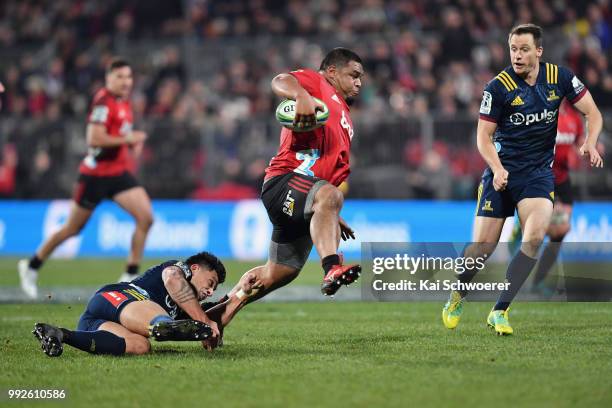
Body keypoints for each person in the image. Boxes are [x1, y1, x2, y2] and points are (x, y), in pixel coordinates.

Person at [441, 24, 604, 335]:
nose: (517, 55)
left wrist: (590, 141)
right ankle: (458, 293)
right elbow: (483, 139)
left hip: (538, 174)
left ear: (538, 51)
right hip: (501, 173)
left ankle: (500, 312)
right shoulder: (497, 87)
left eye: (524, 49)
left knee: (534, 236)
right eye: (513, 49)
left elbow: (593, 113)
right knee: (482, 248)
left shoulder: (561, 78)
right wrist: (498, 168)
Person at [203, 48, 366, 329]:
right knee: (331, 195)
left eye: (361, 77)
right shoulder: (318, 86)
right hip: (283, 182)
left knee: (280, 271)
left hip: (308, 195)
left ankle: (218, 311)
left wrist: (327, 211)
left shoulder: (345, 116)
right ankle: (331, 267)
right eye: (354, 75)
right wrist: (302, 95)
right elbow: (280, 80)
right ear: (332, 72)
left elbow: (327, 172)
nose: (359, 82)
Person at [18, 58, 154, 299]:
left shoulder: (125, 102)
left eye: (129, 77)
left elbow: (121, 136)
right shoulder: (103, 101)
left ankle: (129, 276)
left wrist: (132, 144)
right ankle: (31, 266)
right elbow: (94, 139)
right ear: (108, 79)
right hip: (95, 176)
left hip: (118, 173)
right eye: (120, 77)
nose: (126, 82)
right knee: (72, 229)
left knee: (146, 217)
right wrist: (129, 139)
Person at [32, 252, 229, 357]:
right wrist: (204, 322)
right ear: (194, 268)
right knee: (161, 326)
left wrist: (243, 294)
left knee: (141, 346)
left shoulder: (189, 307)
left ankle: (60, 334)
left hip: (92, 323)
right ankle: (164, 327)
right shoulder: (180, 268)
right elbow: (172, 280)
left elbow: (217, 314)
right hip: (118, 296)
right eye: (210, 283)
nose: (210, 291)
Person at [508, 100, 597, 294]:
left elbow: (579, 143)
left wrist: (586, 149)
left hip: (563, 180)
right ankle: (523, 230)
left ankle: (538, 280)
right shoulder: (542, 114)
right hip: (542, 179)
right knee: (548, 228)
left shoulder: (574, 118)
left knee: (560, 232)